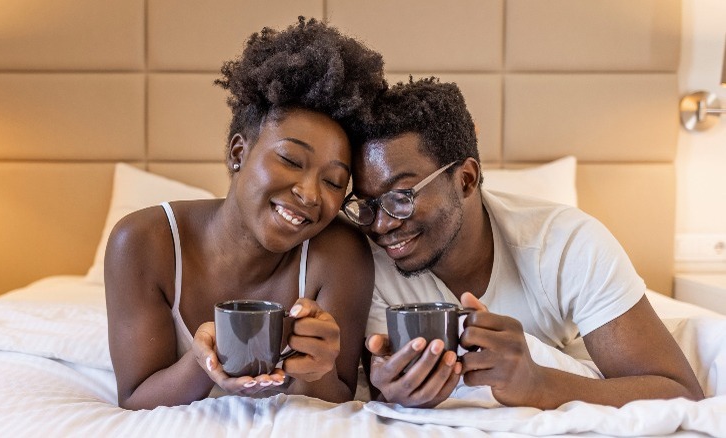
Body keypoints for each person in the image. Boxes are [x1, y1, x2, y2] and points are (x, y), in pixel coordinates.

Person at [344, 77, 704, 409]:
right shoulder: (367, 264)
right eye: (367, 204)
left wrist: (538, 383)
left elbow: (677, 391)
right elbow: (384, 385)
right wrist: (392, 392)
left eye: (402, 196)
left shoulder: (565, 244)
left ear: (466, 179)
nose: (381, 224)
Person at [104, 17, 386, 410]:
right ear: (239, 153)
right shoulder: (142, 243)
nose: (309, 194)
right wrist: (204, 363)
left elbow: (337, 393)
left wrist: (316, 370)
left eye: (335, 181)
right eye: (290, 159)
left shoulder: (339, 255)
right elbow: (135, 396)